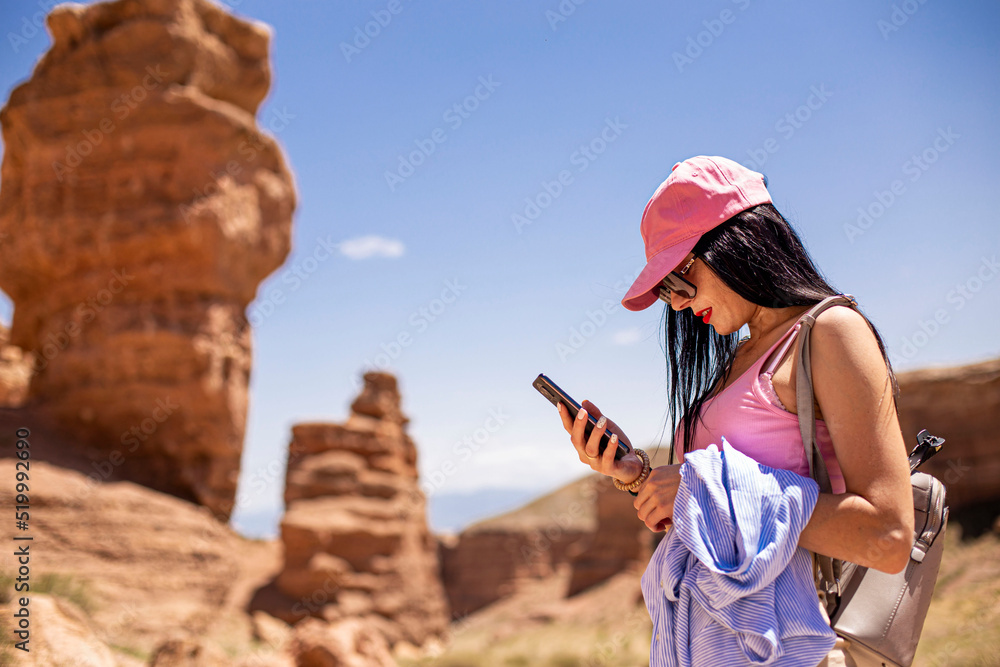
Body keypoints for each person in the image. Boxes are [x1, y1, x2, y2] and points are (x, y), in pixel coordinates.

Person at [556, 155, 915, 663]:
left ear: (735, 244)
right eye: (665, 292)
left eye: (679, 279)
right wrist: (638, 476)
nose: (676, 304)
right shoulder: (738, 358)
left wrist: (704, 490)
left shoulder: (831, 334)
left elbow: (889, 536)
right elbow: (723, 520)